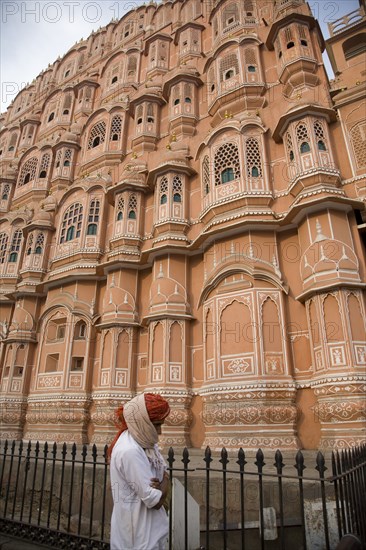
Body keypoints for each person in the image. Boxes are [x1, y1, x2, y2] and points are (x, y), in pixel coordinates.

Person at [109, 393, 171, 550]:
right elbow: (153, 499)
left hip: (152, 531)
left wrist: (163, 483)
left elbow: (164, 470)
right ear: (143, 423)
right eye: (156, 425)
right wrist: (165, 484)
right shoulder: (130, 450)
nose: (159, 431)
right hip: (137, 536)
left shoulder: (145, 442)